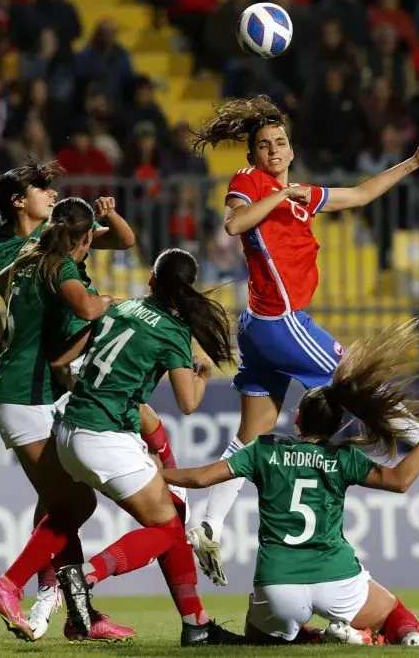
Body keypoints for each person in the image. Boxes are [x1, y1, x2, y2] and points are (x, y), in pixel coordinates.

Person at [186, 95, 419, 585]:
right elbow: (235, 223)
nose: (273, 151)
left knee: (250, 438)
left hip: (259, 329)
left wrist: (412, 162)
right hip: (280, 319)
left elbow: (362, 195)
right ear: (253, 156)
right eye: (264, 146)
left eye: (280, 143)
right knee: (354, 378)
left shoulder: (304, 196)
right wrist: (280, 196)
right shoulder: (249, 184)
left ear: (291, 149)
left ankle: (206, 523)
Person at [162, 321, 419, 647]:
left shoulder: (264, 450)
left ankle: (322, 638)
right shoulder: (343, 457)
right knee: (393, 613)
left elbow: (199, 477)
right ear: (337, 425)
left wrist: (156, 473)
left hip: (278, 584)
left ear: (296, 419)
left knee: (261, 636)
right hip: (335, 577)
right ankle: (407, 637)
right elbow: (400, 480)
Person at [47, 248, 245, 647]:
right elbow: (188, 404)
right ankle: (85, 577)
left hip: (70, 432)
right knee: (168, 531)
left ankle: (196, 624)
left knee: (172, 519)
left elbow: (61, 364)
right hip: (103, 438)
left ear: (152, 280)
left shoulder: (119, 309)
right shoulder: (173, 332)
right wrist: (202, 372)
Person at [0, 194, 135, 642]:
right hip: (25, 398)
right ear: (86, 237)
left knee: (58, 503)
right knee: (76, 503)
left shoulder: (32, 258)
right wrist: (110, 301)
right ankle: (8, 584)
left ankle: (78, 616)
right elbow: (86, 308)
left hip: (26, 394)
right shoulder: (61, 266)